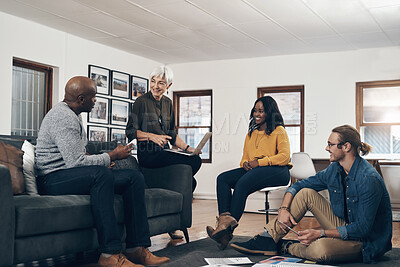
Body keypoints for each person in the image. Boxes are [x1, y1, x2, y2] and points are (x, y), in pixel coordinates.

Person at [35, 76, 170, 267]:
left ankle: (136, 249)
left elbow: (77, 154)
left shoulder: (73, 113)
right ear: (81, 99)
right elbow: (76, 163)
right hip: (51, 179)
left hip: (66, 173)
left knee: (134, 178)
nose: (95, 101)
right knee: (102, 175)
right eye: (93, 97)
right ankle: (109, 254)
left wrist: (99, 161)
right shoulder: (63, 117)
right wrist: (112, 156)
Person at [231, 125, 392, 264]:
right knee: (306, 193)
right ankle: (267, 239)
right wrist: (283, 208)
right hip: (344, 227)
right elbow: (300, 185)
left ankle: (285, 246)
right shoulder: (335, 169)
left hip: (365, 242)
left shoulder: (368, 179)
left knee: (320, 249)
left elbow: (362, 229)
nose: (327, 148)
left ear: (346, 147)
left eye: (331, 144)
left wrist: (320, 234)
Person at [126, 65, 202, 240]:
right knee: (190, 173)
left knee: (193, 167)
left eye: (161, 83)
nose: (156, 86)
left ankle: (175, 223)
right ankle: (170, 191)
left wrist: (189, 149)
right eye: (153, 81)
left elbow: (172, 134)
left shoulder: (168, 103)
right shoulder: (141, 102)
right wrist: (151, 136)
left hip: (164, 152)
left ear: (169, 85)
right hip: (149, 155)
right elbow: (130, 132)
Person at [206, 96, 292, 249]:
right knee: (223, 179)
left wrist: (259, 162)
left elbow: (284, 157)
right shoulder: (250, 134)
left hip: (279, 170)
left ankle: (224, 230)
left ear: (269, 113)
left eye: (261, 111)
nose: (257, 114)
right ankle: (224, 225)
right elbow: (245, 157)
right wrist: (244, 164)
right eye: (255, 111)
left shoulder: (279, 131)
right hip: (256, 169)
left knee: (243, 183)